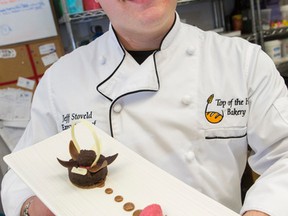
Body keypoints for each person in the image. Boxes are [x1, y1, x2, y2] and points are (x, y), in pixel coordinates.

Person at [1, 0, 288, 215]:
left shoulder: (243, 62)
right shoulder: (60, 79)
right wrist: (32, 208)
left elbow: (283, 155)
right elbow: (20, 175)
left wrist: (261, 211)